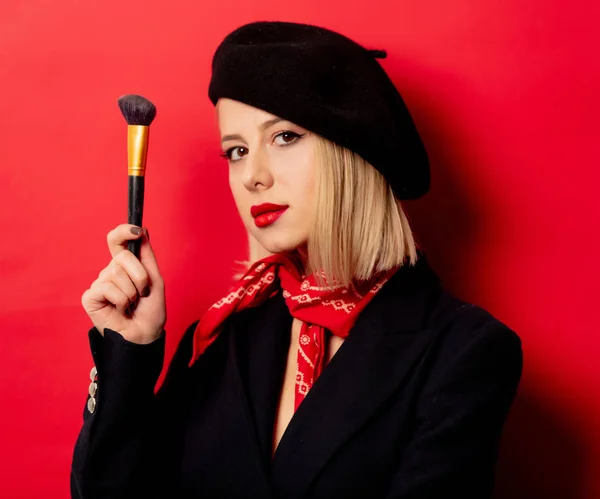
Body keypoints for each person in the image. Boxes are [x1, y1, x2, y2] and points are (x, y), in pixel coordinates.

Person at [70, 21, 523, 499]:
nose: (253, 177)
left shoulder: (464, 351)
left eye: (285, 137)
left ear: (352, 151)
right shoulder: (224, 334)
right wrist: (131, 352)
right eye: (237, 151)